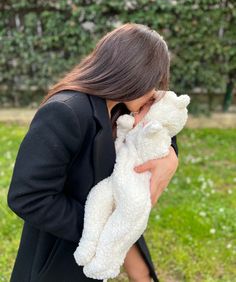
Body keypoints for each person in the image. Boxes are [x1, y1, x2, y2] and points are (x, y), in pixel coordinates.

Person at [7, 23, 179, 282]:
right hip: (58, 260)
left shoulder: (121, 108)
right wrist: (102, 226)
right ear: (131, 74)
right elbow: (28, 196)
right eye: (151, 81)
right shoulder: (66, 112)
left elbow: (168, 121)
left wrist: (171, 157)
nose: (154, 92)